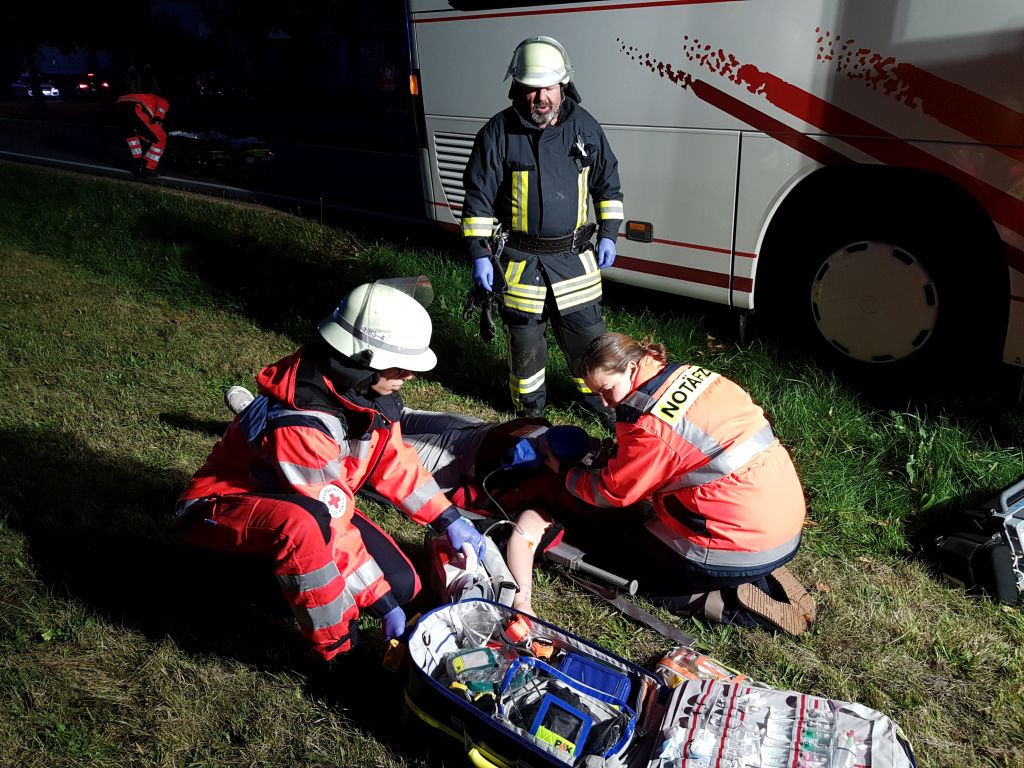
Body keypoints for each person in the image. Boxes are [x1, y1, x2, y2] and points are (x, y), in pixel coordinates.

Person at [176, 280, 485, 663]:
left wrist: (447, 518)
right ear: (363, 360)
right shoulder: (303, 422)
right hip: (221, 513)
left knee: (404, 586)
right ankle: (337, 650)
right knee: (308, 534)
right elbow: (331, 524)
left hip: (307, 505)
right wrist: (379, 601)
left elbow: (394, 461)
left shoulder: (365, 396)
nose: (410, 376)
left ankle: (292, 587)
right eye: (402, 366)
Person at [543, 332, 816, 635]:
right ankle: (754, 567)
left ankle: (731, 602)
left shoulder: (646, 422)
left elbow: (612, 492)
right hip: (781, 514)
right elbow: (686, 452)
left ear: (632, 368)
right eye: (598, 395)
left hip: (739, 537)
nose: (606, 403)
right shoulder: (692, 375)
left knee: (625, 562)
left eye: (607, 390)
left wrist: (566, 473)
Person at [461, 36, 624, 428]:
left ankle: (600, 401)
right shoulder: (497, 132)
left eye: (548, 87)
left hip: (574, 260)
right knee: (526, 345)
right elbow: (478, 198)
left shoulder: (586, 128)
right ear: (517, 87)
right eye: (532, 88)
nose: (540, 97)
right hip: (520, 262)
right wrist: (481, 254)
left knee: (588, 337)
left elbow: (608, 185)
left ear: (563, 84)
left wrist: (609, 233)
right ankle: (530, 412)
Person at [115, 89, 170, 177]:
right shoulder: (161, 99)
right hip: (134, 108)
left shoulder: (146, 96)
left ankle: (137, 162)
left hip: (118, 107)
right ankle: (148, 168)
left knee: (132, 134)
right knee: (161, 138)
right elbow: (161, 107)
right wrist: (158, 117)